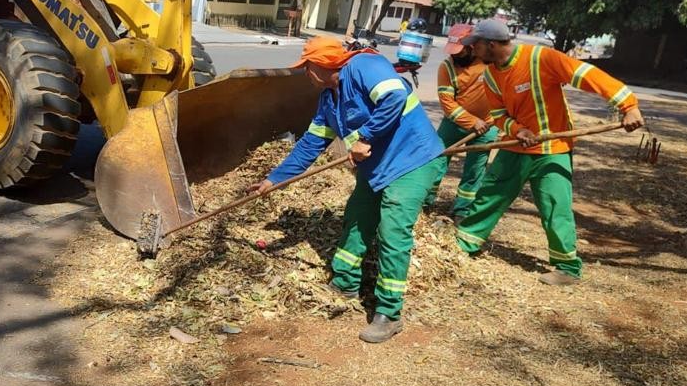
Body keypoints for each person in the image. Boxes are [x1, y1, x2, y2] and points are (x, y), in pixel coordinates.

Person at [247, 36, 444, 343]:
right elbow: (310, 145)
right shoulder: (329, 100)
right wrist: (274, 179)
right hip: (376, 168)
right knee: (356, 218)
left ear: (324, 64)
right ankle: (345, 282)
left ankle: (389, 313)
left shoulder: (364, 65)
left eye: (308, 67)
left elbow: (394, 96)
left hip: (412, 160)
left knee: (393, 230)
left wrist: (366, 136)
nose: (306, 74)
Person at [454, 19, 645, 285]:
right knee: (490, 194)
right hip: (516, 147)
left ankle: (567, 268)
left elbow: (587, 75)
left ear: (492, 44)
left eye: (475, 45)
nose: (472, 51)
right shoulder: (491, 75)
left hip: (552, 150)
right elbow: (498, 114)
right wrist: (517, 130)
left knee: (556, 206)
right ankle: (464, 243)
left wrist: (628, 104)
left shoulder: (539, 58)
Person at [424, 24, 498, 224]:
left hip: (488, 127)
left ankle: (462, 210)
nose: (456, 56)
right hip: (455, 123)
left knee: (475, 170)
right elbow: (448, 104)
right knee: (437, 159)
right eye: (453, 52)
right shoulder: (446, 68)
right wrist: (473, 122)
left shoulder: (490, 62)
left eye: (460, 51)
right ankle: (425, 201)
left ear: (472, 46)